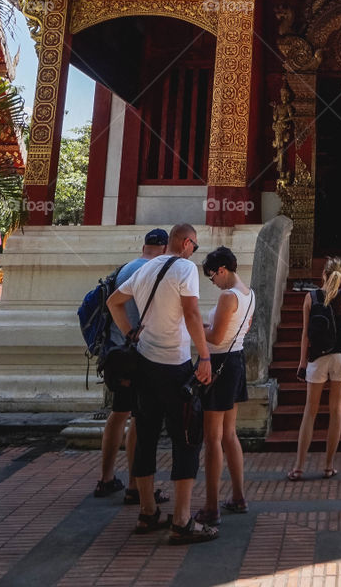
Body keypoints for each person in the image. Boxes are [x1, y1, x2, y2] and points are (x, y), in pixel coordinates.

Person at [107, 222, 216, 545]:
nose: (194, 251)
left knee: (146, 436)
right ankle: (182, 521)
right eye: (194, 246)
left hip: (143, 365)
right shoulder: (184, 268)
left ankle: (147, 511)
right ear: (185, 243)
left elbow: (114, 301)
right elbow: (193, 314)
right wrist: (205, 356)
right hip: (174, 365)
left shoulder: (144, 268)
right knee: (186, 439)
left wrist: (130, 332)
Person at [93, 228, 169, 503]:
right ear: (164, 248)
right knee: (140, 417)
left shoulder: (125, 269)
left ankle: (106, 478)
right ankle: (135, 486)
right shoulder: (154, 272)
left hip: (116, 354)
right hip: (139, 355)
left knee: (118, 413)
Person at [287, 257, 341, 481]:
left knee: (310, 412)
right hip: (340, 357)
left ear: (323, 275)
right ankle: (328, 466)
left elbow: (305, 334)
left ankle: (298, 467)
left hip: (317, 358)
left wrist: (301, 362)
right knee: (336, 411)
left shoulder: (310, 297)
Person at [194, 246, 256, 526]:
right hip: (236, 362)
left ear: (222, 270)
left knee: (213, 439)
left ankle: (211, 506)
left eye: (212, 277)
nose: (213, 282)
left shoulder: (228, 296)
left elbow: (216, 337)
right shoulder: (249, 294)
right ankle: (238, 496)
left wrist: (193, 324)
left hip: (218, 364)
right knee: (229, 434)